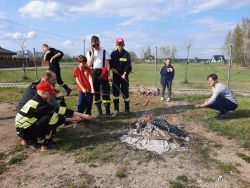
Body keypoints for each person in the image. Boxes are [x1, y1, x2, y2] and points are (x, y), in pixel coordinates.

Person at [15, 81, 91, 151]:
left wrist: (74, 119)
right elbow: (61, 111)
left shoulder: (35, 100)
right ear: (44, 92)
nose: (51, 95)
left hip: (21, 130)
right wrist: (83, 115)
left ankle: (27, 141)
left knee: (51, 116)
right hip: (26, 132)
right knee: (53, 117)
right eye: (50, 93)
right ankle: (46, 144)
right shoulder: (41, 104)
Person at [87, 36, 111, 116]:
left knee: (105, 91)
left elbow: (108, 64)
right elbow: (89, 64)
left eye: (97, 44)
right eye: (94, 45)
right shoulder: (89, 52)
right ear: (91, 44)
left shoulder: (104, 51)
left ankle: (107, 111)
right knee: (96, 92)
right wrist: (93, 54)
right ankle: (99, 112)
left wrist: (109, 75)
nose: (96, 46)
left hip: (103, 71)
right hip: (94, 72)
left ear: (99, 42)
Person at [110, 38, 132, 114]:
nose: (120, 46)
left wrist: (125, 73)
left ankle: (127, 109)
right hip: (115, 77)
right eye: (119, 45)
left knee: (125, 93)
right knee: (115, 93)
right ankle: (116, 109)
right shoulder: (113, 54)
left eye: (121, 45)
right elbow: (109, 64)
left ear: (124, 45)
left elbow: (128, 66)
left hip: (124, 76)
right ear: (116, 45)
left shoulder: (127, 54)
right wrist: (113, 69)